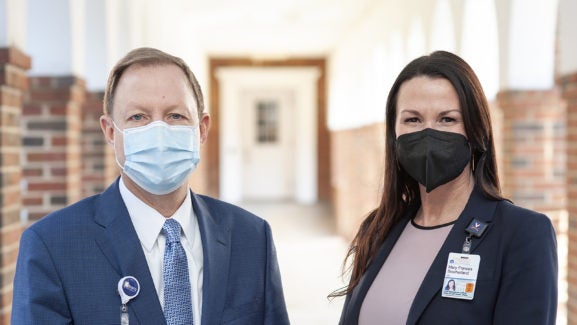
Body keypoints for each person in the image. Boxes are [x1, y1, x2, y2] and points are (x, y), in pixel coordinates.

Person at [12, 47, 290, 324]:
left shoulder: (252, 237)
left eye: (175, 116)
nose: (159, 131)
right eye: (138, 117)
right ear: (110, 131)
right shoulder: (52, 245)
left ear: (202, 129)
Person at [335, 51, 557, 324]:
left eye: (447, 119)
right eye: (413, 119)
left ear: (476, 132)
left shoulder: (521, 234)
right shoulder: (377, 228)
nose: (428, 132)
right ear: (394, 134)